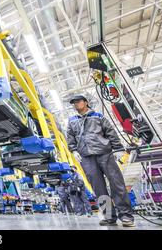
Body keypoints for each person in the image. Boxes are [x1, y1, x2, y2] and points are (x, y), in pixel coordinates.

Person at [66, 94, 135, 227]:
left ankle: (126, 216)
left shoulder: (98, 116)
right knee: (98, 188)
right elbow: (70, 137)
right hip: (86, 157)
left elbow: (110, 132)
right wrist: (73, 150)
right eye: (74, 102)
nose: (76, 104)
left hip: (105, 154)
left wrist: (118, 148)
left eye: (78, 101)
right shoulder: (72, 121)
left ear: (86, 102)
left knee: (117, 183)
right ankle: (109, 216)